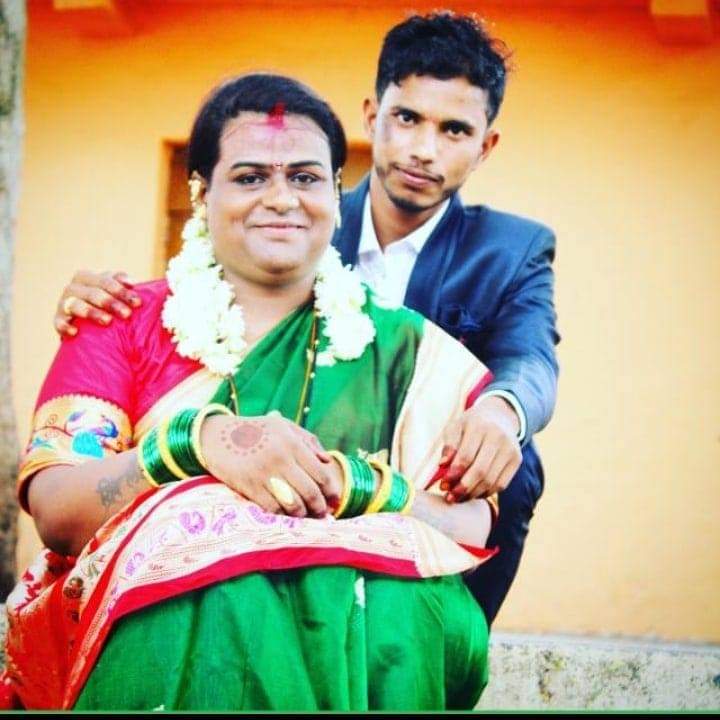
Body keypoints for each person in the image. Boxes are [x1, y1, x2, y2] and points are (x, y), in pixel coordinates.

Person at [4, 74, 500, 711]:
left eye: (305, 177)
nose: (281, 199)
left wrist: (353, 486)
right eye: (249, 177)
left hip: (360, 627)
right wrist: (195, 446)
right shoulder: (119, 320)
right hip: (150, 618)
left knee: (408, 602)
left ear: (336, 192)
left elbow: (469, 523)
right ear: (201, 192)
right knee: (216, 583)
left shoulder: (405, 347)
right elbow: (55, 510)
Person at [52, 12, 560, 624]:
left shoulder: (509, 250)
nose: (424, 149)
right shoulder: (292, 220)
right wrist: (108, 309)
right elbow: (203, 307)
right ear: (373, 116)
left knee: (511, 457)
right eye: (407, 119)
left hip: (397, 494)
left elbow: (530, 357)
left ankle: (452, 627)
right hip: (236, 487)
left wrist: (500, 412)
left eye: (454, 130)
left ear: (485, 147)